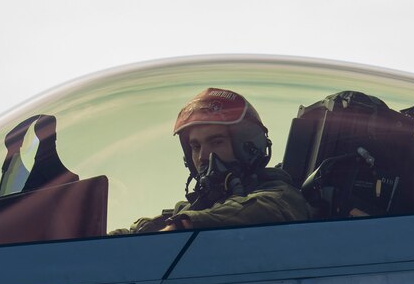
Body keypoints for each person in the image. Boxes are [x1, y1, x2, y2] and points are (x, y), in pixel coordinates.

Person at [120, 87, 314, 234]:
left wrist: (184, 225)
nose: (203, 156)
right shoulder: (199, 206)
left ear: (247, 145)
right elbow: (146, 228)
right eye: (195, 147)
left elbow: (262, 210)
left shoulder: (281, 197)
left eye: (216, 142)